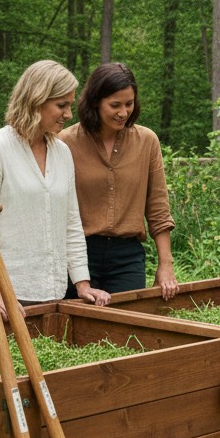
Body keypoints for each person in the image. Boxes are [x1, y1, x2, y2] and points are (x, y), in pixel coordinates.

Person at [0, 59, 110, 318]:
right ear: (35, 100)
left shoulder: (62, 153)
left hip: (50, 290)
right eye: (61, 105)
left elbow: (71, 223)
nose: (68, 114)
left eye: (70, 105)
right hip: (0, 292)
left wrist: (82, 283)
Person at [58, 62, 179, 299]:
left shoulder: (147, 142)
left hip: (127, 257)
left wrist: (166, 264)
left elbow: (158, 208)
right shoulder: (65, 143)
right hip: (79, 255)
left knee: (127, 330)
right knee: (75, 331)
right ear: (95, 101)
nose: (123, 112)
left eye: (129, 104)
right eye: (115, 105)